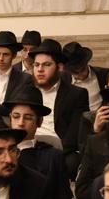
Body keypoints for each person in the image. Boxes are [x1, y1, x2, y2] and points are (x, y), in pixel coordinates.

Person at [2, 85, 72, 199]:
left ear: (39, 122)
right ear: (10, 119)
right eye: (16, 116)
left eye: (28, 118)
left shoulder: (53, 157)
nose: (20, 123)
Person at [28, 39, 89, 176]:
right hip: (29, 146)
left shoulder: (76, 94)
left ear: (60, 67)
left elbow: (74, 135)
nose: (40, 69)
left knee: (69, 163)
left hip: (60, 149)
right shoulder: (25, 91)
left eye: (46, 65)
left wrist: (50, 152)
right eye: (36, 65)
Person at [61, 41, 109, 112]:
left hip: (100, 114)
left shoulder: (103, 74)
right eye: (75, 72)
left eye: (82, 70)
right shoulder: (62, 80)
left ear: (86, 63)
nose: (80, 74)